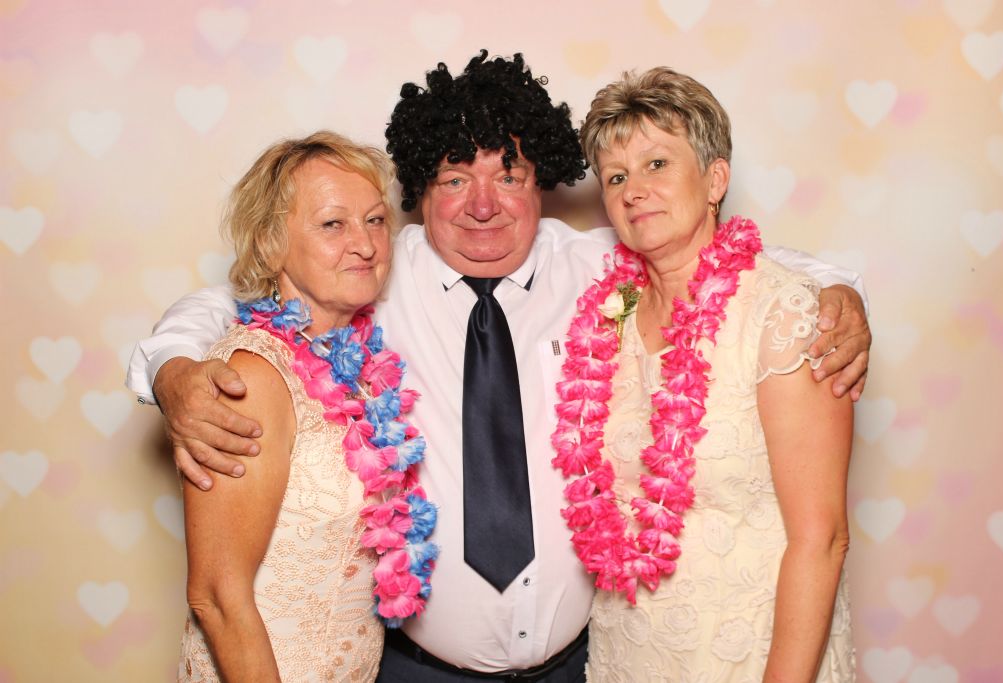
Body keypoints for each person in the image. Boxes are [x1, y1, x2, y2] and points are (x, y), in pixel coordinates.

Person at [128, 52, 870, 681]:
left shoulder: (598, 266)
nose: (482, 205)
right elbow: (234, 297)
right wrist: (172, 371)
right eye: (455, 178)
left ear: (541, 182)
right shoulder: (372, 268)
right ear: (421, 189)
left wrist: (841, 293)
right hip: (415, 667)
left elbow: (727, 263)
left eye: (509, 175)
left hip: (581, 663)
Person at [554, 67, 854, 681]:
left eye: (657, 164)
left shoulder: (782, 315)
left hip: (754, 653)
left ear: (715, 179)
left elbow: (822, 540)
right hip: (629, 655)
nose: (633, 191)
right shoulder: (605, 318)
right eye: (616, 177)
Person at [175, 130, 436, 682]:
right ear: (271, 244)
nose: (365, 244)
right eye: (333, 224)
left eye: (375, 220)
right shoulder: (252, 375)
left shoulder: (358, 367)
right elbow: (216, 595)